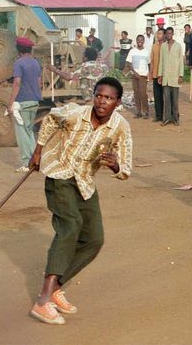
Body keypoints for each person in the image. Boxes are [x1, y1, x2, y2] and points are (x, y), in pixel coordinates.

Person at [27, 77, 132, 325]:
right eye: (98, 95)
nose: (102, 102)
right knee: (70, 226)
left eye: (108, 98)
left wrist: (115, 164)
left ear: (117, 102)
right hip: (59, 174)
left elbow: (126, 168)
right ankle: (43, 300)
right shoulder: (75, 114)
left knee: (94, 238)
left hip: (84, 182)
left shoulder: (120, 127)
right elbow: (51, 119)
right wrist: (39, 151)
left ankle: (55, 287)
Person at [9, 37, 42, 173]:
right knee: (29, 131)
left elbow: (17, 82)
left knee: (22, 132)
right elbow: (39, 82)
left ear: (19, 49)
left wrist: (11, 102)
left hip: (22, 101)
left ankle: (26, 162)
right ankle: (35, 161)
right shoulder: (35, 63)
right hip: (34, 101)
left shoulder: (19, 63)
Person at [158, 27, 184, 126]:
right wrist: (160, 75)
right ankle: (167, 118)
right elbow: (161, 61)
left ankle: (175, 119)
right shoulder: (163, 46)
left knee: (175, 100)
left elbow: (181, 61)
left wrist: (180, 75)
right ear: (165, 35)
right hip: (166, 77)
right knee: (167, 100)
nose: (168, 35)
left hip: (175, 76)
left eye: (170, 33)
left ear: (172, 34)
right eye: (167, 33)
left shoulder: (178, 46)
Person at [124, 34, 151, 118]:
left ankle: (146, 111)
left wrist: (149, 74)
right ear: (136, 41)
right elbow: (129, 63)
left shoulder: (147, 51)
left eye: (141, 40)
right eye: (138, 40)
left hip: (143, 75)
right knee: (136, 94)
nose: (140, 41)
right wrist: (134, 72)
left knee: (143, 93)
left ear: (143, 41)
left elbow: (149, 64)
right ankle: (139, 112)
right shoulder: (132, 51)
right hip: (135, 75)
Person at [149, 28, 165, 122]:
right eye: (157, 34)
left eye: (160, 33)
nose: (158, 35)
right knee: (157, 96)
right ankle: (158, 115)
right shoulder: (154, 46)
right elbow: (152, 60)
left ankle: (166, 115)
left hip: (164, 75)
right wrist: (150, 73)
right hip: (155, 74)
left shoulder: (166, 46)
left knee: (165, 96)